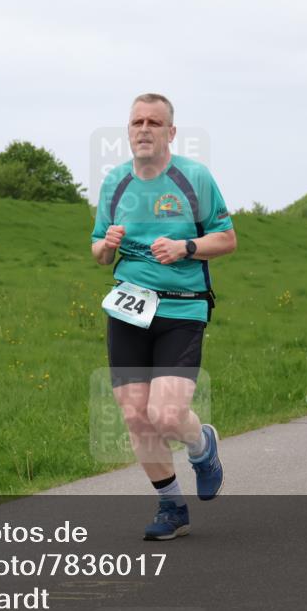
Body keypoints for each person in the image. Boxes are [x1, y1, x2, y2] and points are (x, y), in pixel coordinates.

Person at [91, 93, 237, 540]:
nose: (144, 128)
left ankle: (202, 446)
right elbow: (97, 252)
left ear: (171, 132)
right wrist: (108, 245)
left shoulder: (194, 177)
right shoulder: (115, 182)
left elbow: (227, 239)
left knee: (168, 415)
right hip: (129, 309)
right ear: (128, 130)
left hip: (182, 306)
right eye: (137, 121)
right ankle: (171, 506)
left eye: (155, 121)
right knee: (136, 414)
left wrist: (186, 247)